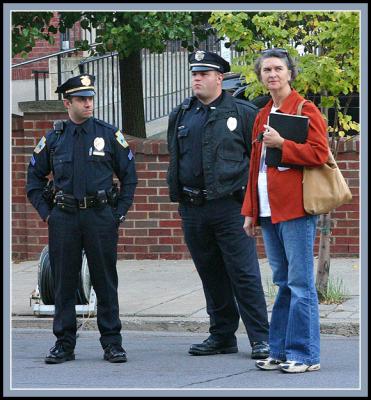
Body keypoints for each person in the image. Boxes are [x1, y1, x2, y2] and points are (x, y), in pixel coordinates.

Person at [26, 74, 138, 364]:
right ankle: (64, 343)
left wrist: (119, 213)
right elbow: (34, 181)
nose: (88, 103)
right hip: (64, 217)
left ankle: (112, 343)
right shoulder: (54, 139)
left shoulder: (108, 135)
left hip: (100, 216)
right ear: (67, 103)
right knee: (64, 282)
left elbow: (129, 177)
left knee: (105, 280)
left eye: (90, 98)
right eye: (81, 99)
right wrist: (47, 214)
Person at [167, 50, 270, 359]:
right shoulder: (182, 113)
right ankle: (222, 335)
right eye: (194, 74)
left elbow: (258, 162)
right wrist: (180, 199)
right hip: (194, 208)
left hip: (231, 208)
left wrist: (254, 207)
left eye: (204, 74)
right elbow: (176, 159)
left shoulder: (242, 112)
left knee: (244, 274)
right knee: (210, 273)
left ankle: (261, 339)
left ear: (219, 78)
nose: (197, 79)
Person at [241, 48, 329, 373]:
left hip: (296, 209)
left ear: (290, 73)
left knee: (301, 283)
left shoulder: (305, 109)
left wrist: (283, 145)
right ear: (261, 76)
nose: (273, 74)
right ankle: (279, 350)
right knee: (282, 282)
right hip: (267, 211)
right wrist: (250, 210)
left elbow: (319, 153)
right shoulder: (262, 113)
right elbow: (255, 166)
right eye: (267, 70)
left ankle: (306, 355)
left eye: (278, 68)